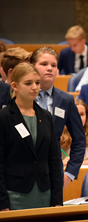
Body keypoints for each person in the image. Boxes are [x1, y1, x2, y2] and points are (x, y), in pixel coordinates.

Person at [0, 63, 62, 210]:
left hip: (44, 193)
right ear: (15, 86)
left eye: (37, 83)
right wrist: (2, 202)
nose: (35, 87)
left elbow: (54, 159)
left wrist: (58, 199)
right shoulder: (4, 117)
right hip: (14, 194)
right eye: (28, 83)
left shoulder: (45, 116)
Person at [31, 47, 86, 190]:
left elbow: (79, 140)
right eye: (44, 64)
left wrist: (70, 173)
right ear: (32, 67)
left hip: (53, 173)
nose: (49, 68)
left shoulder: (66, 100)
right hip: (20, 173)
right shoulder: (18, 96)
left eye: (53, 65)